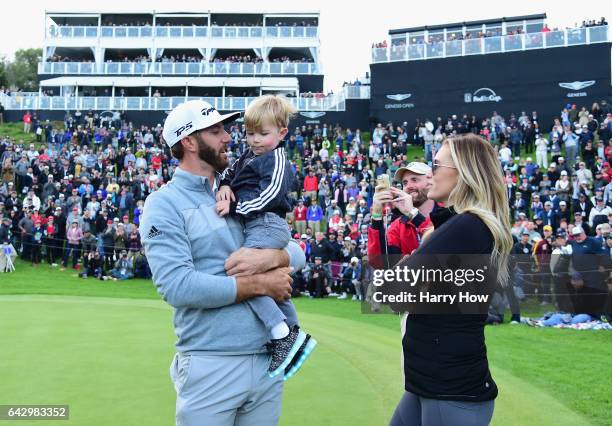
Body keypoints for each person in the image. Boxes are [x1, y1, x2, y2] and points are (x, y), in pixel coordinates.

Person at [140, 99, 306, 426]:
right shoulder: (162, 206)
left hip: (267, 362)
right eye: (216, 131)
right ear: (189, 142)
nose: (229, 137)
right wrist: (259, 284)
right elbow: (177, 286)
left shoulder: (238, 194)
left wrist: (278, 257)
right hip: (211, 362)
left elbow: (296, 251)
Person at [389, 134, 513, 426]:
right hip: (432, 381)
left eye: (436, 164)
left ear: (464, 172)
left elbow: (393, 292)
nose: (430, 173)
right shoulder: (462, 225)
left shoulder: (468, 226)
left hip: (450, 388)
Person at [215, 95, 317, 378]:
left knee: (243, 276)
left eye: (263, 134)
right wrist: (224, 185)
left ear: (282, 133)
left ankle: (281, 333)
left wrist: (235, 205)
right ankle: (293, 333)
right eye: (250, 134)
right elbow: (230, 171)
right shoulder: (249, 155)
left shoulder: (277, 158)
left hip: (267, 223)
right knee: (267, 282)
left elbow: (270, 195)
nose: (255, 140)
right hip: (255, 223)